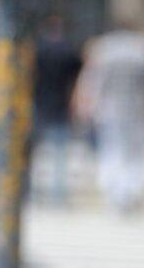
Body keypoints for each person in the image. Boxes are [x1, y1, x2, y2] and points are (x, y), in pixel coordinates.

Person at [73, 25, 144, 213]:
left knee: (113, 151)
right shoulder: (143, 51)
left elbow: (92, 83)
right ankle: (128, 192)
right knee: (133, 154)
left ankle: (116, 193)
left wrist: (86, 107)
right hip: (136, 110)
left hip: (111, 110)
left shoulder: (105, 50)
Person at [32, 15, 81, 204]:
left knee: (35, 154)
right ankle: (58, 195)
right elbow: (77, 79)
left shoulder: (38, 51)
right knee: (59, 154)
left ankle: (33, 193)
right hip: (61, 105)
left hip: (39, 104)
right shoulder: (69, 52)